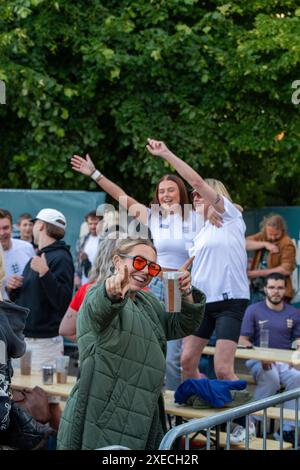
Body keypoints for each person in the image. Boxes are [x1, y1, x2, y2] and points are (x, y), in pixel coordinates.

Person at [57, 237, 206, 450]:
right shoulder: (97, 294)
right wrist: (111, 292)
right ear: (117, 262)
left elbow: (180, 325)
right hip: (105, 417)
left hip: (145, 412)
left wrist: (184, 291)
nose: (145, 270)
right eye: (138, 261)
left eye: (152, 267)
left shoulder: (149, 302)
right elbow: (99, 308)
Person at [70, 153, 203, 390]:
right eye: (161, 191)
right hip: (149, 280)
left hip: (174, 284)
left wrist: (229, 204)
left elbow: (211, 196)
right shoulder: (151, 215)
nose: (165, 195)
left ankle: (175, 405)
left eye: (171, 190)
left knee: (173, 354)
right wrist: (94, 173)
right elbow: (120, 196)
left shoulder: (195, 217)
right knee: (144, 341)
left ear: (181, 192)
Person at [146, 138, 249, 382]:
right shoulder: (198, 230)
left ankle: (244, 421)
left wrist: (166, 153)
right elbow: (191, 264)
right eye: (194, 195)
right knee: (186, 362)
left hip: (228, 299)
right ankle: (200, 403)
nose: (196, 196)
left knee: (222, 369)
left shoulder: (227, 217)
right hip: (195, 297)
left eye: (200, 195)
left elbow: (197, 182)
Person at [236, 272, 300, 445]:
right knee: (271, 379)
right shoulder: (254, 309)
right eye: (272, 287)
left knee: (298, 378)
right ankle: (249, 423)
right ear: (265, 289)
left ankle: (287, 430)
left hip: (286, 361)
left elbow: (298, 340)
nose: (276, 292)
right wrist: (260, 354)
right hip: (258, 359)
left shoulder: (293, 312)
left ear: (286, 290)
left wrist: (296, 357)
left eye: (280, 288)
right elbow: (242, 339)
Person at [8, 208, 74, 370]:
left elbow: (63, 302)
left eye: (35, 223)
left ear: (42, 226)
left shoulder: (61, 257)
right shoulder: (37, 256)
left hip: (45, 345)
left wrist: (45, 272)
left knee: (44, 395)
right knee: (18, 394)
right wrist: (14, 288)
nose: (32, 228)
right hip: (23, 340)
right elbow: (27, 297)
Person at [59, 231, 120, 342]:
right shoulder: (143, 293)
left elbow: (66, 330)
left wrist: (94, 345)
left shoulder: (87, 289)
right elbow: (65, 330)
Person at [247, 214, 296, 303]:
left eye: (276, 235)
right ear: (265, 230)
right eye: (270, 234)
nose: (273, 238)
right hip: (257, 290)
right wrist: (265, 244)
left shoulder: (286, 243)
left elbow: (286, 269)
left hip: (278, 292)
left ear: (282, 230)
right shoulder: (262, 236)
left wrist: (258, 273)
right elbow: (243, 243)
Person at [0, 209, 35, 299]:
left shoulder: (27, 247)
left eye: (5, 228)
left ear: (12, 227)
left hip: (25, 309)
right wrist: (7, 287)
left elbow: (35, 279)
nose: (2, 233)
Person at [74, 210, 101, 288]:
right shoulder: (82, 240)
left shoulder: (105, 241)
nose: (93, 226)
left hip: (97, 283)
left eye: (96, 224)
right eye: (90, 224)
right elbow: (76, 260)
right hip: (82, 282)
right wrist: (77, 276)